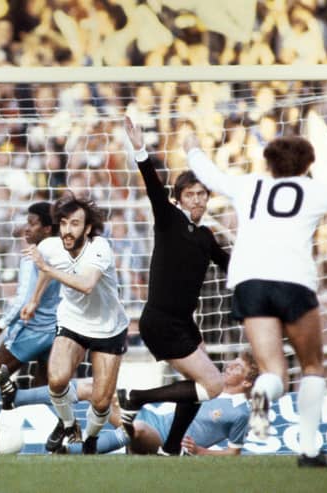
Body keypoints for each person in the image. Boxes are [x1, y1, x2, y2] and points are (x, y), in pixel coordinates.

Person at [184, 132, 327, 467]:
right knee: (312, 366)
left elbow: (210, 175)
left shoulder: (249, 185)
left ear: (268, 163)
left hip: (250, 283)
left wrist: (192, 148)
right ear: (308, 164)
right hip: (293, 279)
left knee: (273, 372)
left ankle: (262, 400)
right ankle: (308, 451)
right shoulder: (314, 190)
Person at [116, 116, 229, 456]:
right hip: (161, 321)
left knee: (200, 386)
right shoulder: (169, 220)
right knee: (214, 384)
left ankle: (171, 447)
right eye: (190, 194)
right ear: (179, 199)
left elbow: (230, 266)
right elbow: (152, 185)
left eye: (201, 194)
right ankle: (137, 398)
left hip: (184, 323)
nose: (197, 200)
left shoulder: (207, 236)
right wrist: (139, 149)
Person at [20, 195, 129, 454]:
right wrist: (34, 300)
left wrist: (46, 267)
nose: (68, 230)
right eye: (64, 223)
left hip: (108, 327)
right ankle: (70, 426)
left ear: (87, 228)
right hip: (72, 322)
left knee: (101, 402)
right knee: (56, 380)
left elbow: (87, 284)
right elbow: (47, 272)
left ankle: (91, 439)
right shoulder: (51, 246)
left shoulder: (100, 247)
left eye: (75, 224)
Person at [0, 353, 258, 456]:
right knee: (94, 387)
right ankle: (16, 397)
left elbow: (233, 454)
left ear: (247, 383)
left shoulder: (239, 411)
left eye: (237, 367)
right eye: (231, 361)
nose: (228, 366)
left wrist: (200, 451)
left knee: (139, 429)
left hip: (165, 440)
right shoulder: (206, 386)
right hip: (153, 418)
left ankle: (68, 451)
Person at [0, 201, 60, 455]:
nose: (27, 228)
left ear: (47, 228)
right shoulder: (63, 253)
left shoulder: (32, 257)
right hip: (56, 331)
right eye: (28, 222)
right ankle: (70, 428)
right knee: (49, 386)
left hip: (31, 330)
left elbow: (24, 299)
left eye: (33, 224)